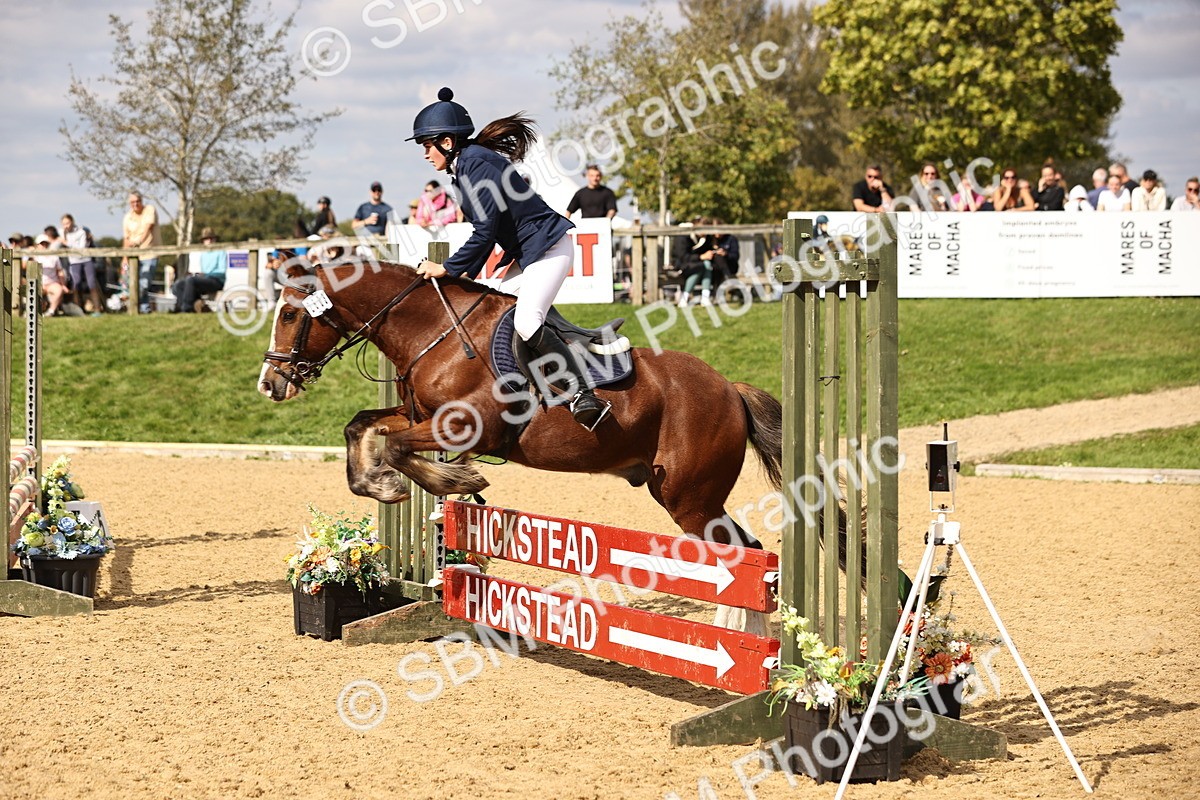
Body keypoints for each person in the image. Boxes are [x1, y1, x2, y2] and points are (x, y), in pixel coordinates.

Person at [407, 87, 608, 429]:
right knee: (495, 313)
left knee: (527, 322)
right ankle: (542, 368)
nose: (425, 154)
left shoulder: (474, 165)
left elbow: (485, 232)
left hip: (549, 248)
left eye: (427, 145)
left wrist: (448, 269)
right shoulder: (467, 164)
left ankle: (583, 394)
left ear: (447, 142)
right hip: (531, 252)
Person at [122, 191, 161, 313]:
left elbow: (148, 229)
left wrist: (138, 242)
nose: (135, 204)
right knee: (133, 283)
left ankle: (133, 307)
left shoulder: (149, 210)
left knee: (143, 284)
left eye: (137, 201)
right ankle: (144, 310)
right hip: (134, 256)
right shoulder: (128, 217)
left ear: (141, 201)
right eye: (132, 202)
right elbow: (126, 239)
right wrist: (124, 257)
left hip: (149, 254)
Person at [172, 227, 227, 312]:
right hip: (205, 278)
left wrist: (206, 275)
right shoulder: (203, 253)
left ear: (215, 239)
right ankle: (180, 306)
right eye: (206, 239)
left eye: (210, 239)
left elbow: (221, 271)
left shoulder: (221, 252)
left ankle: (186, 308)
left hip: (216, 280)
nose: (208, 241)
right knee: (179, 284)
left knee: (191, 280)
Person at [61, 214, 102, 316]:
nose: (66, 225)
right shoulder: (63, 233)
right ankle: (79, 309)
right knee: (76, 283)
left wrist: (67, 243)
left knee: (91, 283)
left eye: (68, 223)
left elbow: (81, 247)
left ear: (72, 222)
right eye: (64, 224)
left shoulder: (81, 231)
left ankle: (97, 309)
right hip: (74, 262)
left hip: (86, 259)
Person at [34, 233, 68, 317]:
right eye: (42, 244)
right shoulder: (34, 256)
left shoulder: (54, 256)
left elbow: (59, 271)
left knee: (59, 290)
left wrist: (63, 285)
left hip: (52, 283)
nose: (44, 246)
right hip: (39, 284)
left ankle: (51, 311)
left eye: (46, 244)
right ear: (37, 245)